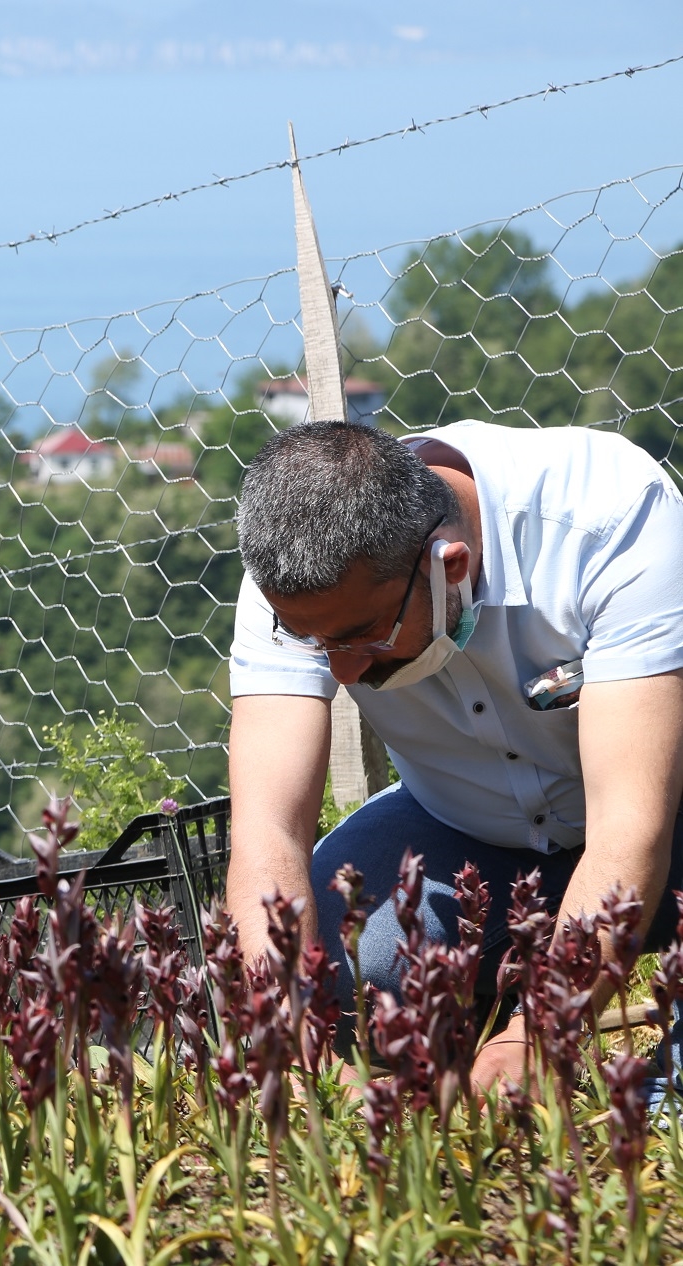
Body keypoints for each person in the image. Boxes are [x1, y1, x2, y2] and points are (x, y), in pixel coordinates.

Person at [226, 418, 683, 1090]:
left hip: (663, 825)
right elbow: (268, 835)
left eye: (365, 639)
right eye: (318, 647)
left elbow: (631, 830)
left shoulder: (606, 517)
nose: (345, 673)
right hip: (469, 828)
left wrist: (539, 1033)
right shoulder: (296, 590)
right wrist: (284, 1017)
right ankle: (482, 1013)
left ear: (452, 567)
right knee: (346, 961)